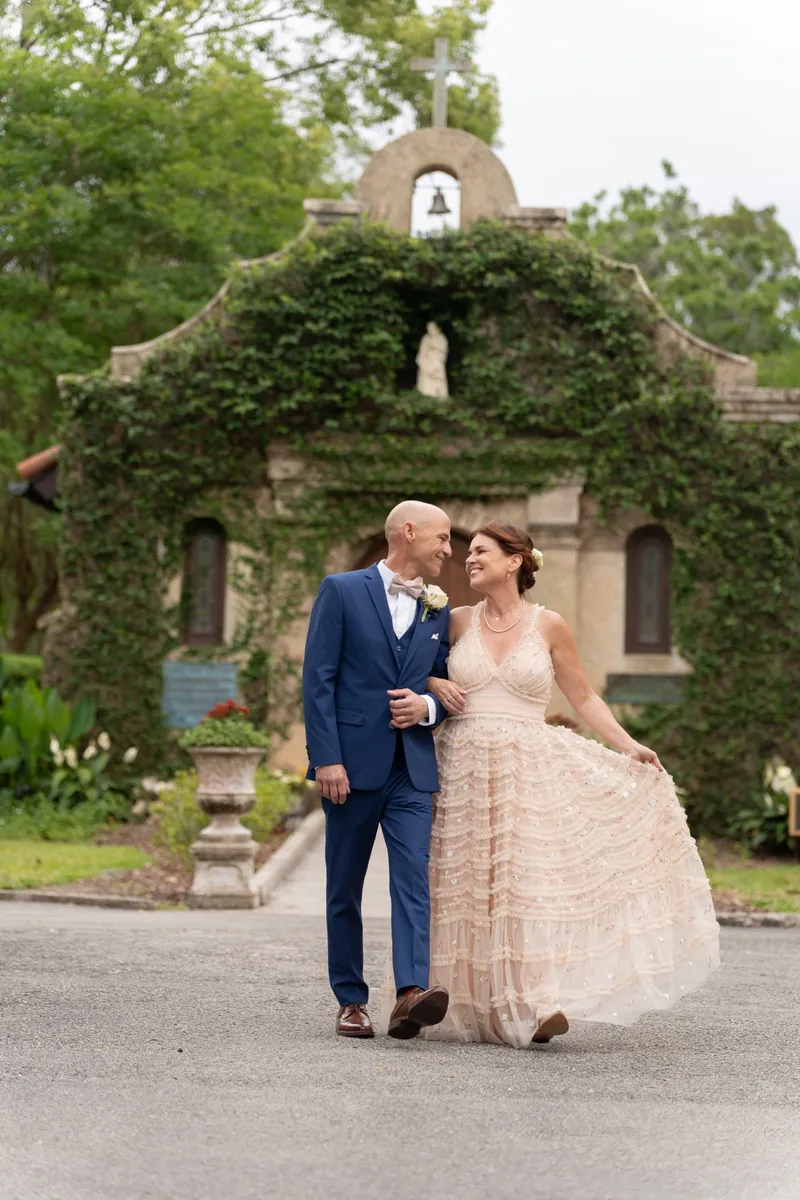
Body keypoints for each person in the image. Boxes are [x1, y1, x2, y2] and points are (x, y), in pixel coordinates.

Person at [423, 522, 720, 1047]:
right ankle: (460, 998)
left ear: (515, 561)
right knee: (464, 881)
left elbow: (583, 697)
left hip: (526, 768)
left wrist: (628, 745)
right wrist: (433, 680)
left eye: (481, 552)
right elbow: (409, 670)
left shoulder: (550, 625)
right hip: (462, 764)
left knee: (522, 881)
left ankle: (535, 1001)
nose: (469, 560)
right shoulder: (455, 621)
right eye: (468, 553)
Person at [303, 500, 454, 1040]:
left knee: (413, 878)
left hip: (411, 768)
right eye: (441, 537)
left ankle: (411, 991)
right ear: (408, 533)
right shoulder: (341, 591)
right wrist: (326, 758)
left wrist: (428, 708)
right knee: (344, 886)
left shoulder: (437, 608)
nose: (448, 548)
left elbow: (439, 681)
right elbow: (317, 679)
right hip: (349, 767)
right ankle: (350, 999)